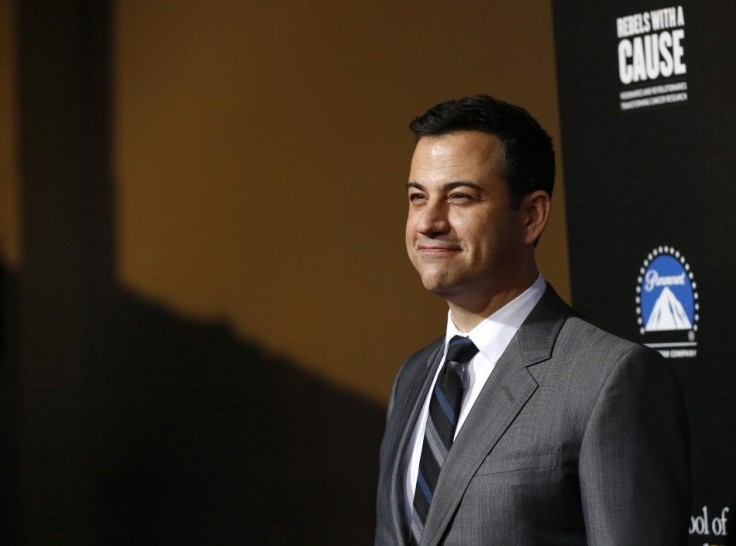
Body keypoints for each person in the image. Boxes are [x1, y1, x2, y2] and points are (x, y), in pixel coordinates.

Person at [375, 95, 691, 545]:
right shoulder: (412, 377)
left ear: (531, 216)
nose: (428, 222)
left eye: (460, 197)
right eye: (417, 197)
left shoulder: (611, 379)